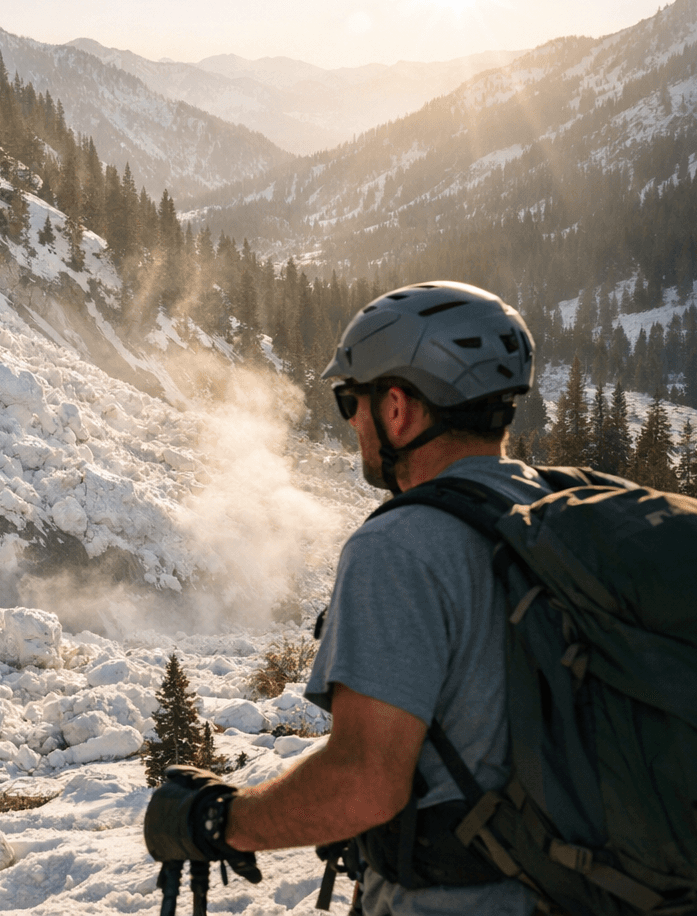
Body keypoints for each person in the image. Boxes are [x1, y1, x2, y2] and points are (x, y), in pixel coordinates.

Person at [144, 281, 543, 915]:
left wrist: (218, 821)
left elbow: (364, 782)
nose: (350, 422)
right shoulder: (552, 512)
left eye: (347, 401)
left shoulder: (399, 546)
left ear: (397, 407)